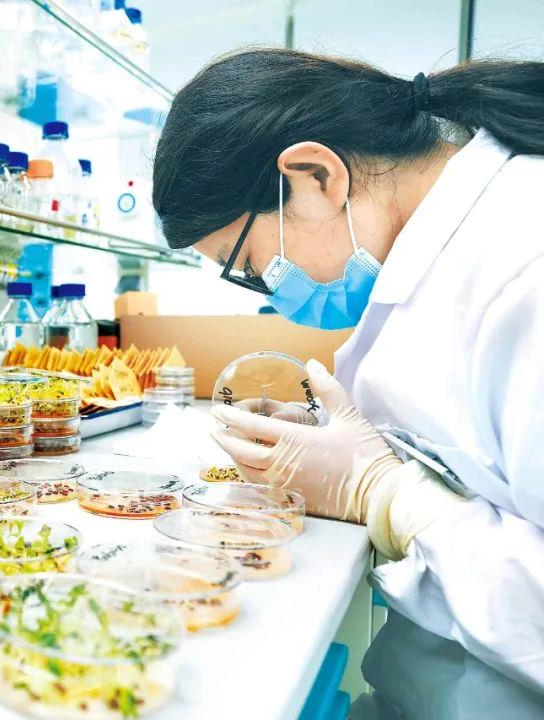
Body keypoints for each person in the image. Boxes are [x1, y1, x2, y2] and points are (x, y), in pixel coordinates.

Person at [152, 49, 544, 694]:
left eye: (249, 266)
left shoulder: (527, 260)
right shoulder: (432, 250)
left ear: (316, 176)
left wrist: (383, 494)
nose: (268, 292)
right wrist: (347, 449)